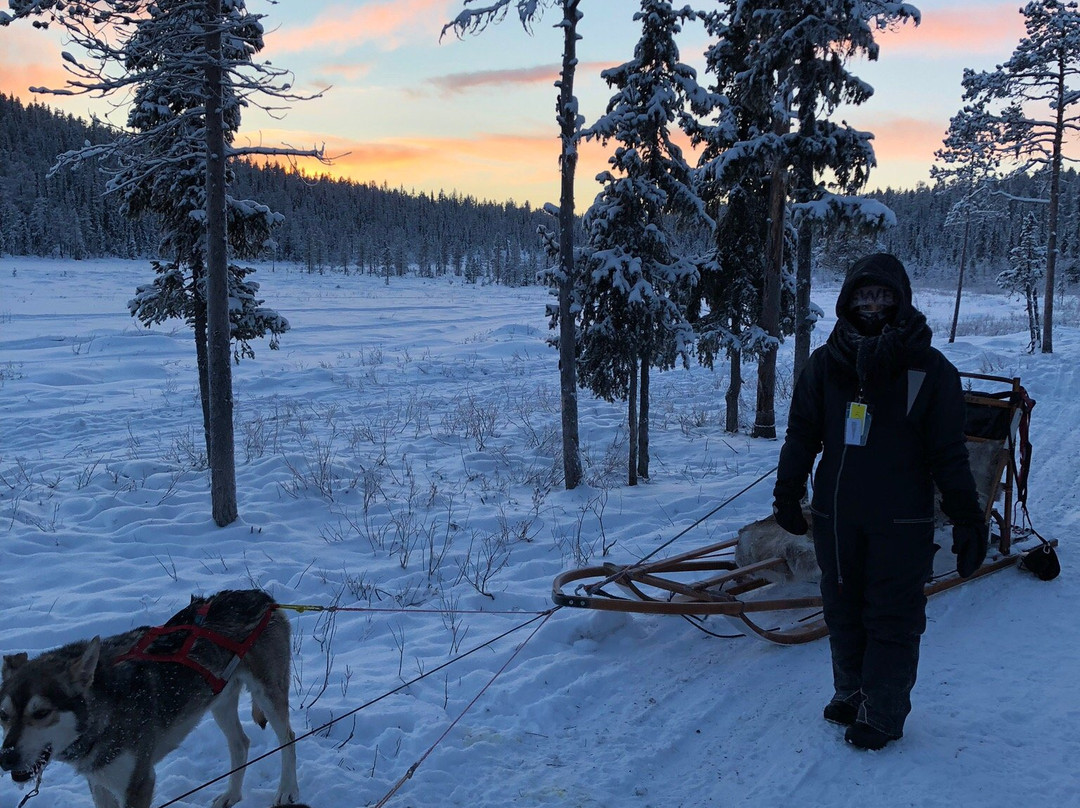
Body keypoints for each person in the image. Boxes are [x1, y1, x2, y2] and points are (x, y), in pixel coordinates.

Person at [772, 252, 987, 751]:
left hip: (901, 518)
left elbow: (949, 454)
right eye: (863, 297)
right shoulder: (826, 364)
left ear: (901, 300)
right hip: (836, 514)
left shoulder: (928, 370)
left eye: (883, 296)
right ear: (848, 302)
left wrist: (966, 518)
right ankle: (851, 692)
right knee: (842, 607)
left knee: (891, 613)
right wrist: (788, 491)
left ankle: (885, 712)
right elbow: (802, 434)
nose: (873, 306)